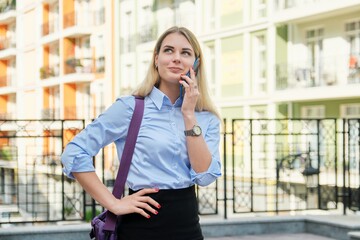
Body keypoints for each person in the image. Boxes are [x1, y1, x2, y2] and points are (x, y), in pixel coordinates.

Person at [61, 26, 221, 240]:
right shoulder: (130, 108)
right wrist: (113, 203)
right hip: (140, 228)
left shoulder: (206, 118)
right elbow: (74, 152)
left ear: (196, 64)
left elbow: (205, 176)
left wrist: (189, 115)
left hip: (188, 228)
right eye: (168, 51)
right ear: (156, 59)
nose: (176, 58)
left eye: (185, 53)